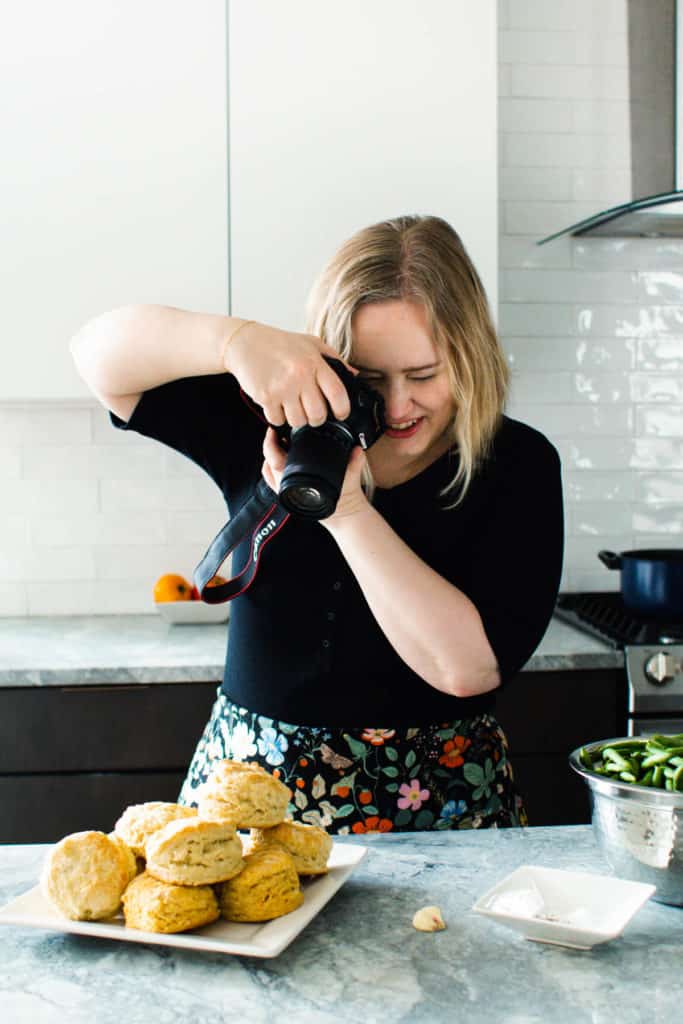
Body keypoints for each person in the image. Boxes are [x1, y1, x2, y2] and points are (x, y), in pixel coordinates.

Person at [70, 214, 563, 834]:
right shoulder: (273, 419)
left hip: (440, 801)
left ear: (469, 355)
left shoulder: (517, 463)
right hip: (249, 797)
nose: (398, 405)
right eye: (370, 378)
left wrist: (349, 514)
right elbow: (96, 355)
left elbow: (465, 669)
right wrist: (235, 342)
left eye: (425, 375)